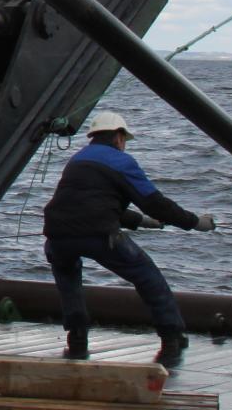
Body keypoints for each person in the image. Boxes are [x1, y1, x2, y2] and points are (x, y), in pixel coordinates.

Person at [43, 109, 216, 368]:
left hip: (57, 235)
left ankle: (77, 337)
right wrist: (195, 223)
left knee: (69, 280)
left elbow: (94, 204)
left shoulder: (77, 160)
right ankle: (172, 336)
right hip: (99, 235)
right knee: (147, 276)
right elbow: (155, 203)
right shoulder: (121, 161)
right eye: (124, 139)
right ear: (118, 136)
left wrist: (144, 222)